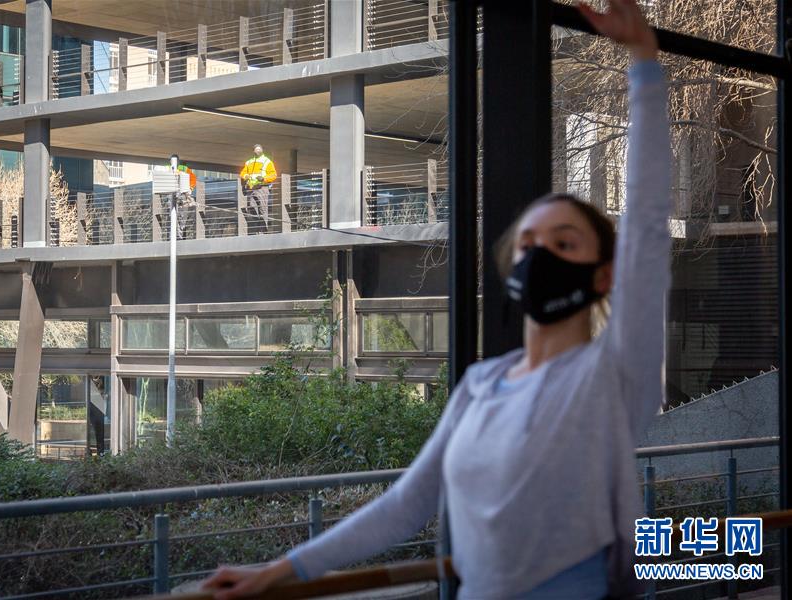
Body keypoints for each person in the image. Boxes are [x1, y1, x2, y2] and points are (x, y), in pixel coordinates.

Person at [202, 1, 669, 597]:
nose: (541, 254)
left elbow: (647, 225)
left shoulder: (614, 374)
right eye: (529, 243)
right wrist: (280, 571)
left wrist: (643, 62)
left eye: (564, 242)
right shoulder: (480, 385)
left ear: (603, 276)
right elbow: (406, 504)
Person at [239, 144, 277, 234]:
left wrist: (264, 179)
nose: (258, 151)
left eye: (259, 149)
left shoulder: (267, 161)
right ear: (253, 151)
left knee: (262, 209)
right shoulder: (249, 162)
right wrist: (245, 176)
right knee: (252, 207)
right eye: (256, 149)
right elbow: (243, 173)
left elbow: (273, 175)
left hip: (262, 187)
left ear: (262, 150)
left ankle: (263, 231)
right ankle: (258, 227)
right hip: (252, 188)